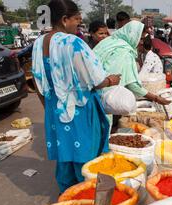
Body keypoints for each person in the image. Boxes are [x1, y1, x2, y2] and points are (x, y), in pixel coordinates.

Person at [32, 0, 120, 192]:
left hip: (55, 108)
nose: (78, 26)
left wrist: (49, 107)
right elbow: (96, 81)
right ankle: (86, 195)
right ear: (64, 20)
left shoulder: (39, 43)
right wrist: (112, 80)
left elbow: (38, 80)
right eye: (77, 21)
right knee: (85, 155)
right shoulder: (72, 42)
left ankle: (68, 194)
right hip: (79, 109)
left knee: (65, 153)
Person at [94, 21, 171, 106]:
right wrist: (156, 98)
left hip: (92, 92)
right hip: (105, 98)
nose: (141, 42)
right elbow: (132, 85)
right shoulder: (124, 52)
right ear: (133, 36)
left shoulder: (110, 42)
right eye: (140, 38)